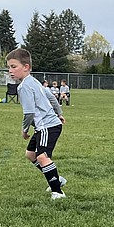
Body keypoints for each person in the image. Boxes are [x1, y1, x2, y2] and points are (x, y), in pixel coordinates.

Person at [7, 48, 67, 199]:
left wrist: (24, 130)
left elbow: (29, 113)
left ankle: (58, 192)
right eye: (9, 67)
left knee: (42, 157)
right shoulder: (34, 82)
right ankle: (56, 179)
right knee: (31, 154)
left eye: (14, 67)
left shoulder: (25, 86)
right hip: (46, 126)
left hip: (47, 126)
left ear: (26, 67)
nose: (10, 71)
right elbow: (52, 98)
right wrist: (59, 113)